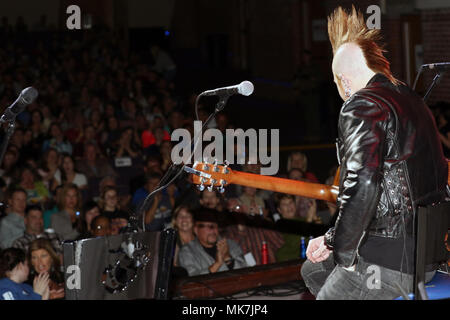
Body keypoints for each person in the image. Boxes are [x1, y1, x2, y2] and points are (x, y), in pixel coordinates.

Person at [300, 6, 448, 300]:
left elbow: (363, 187)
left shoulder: (361, 104)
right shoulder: (411, 98)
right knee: (312, 270)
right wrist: (330, 240)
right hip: (425, 254)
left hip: (389, 262)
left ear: (343, 80)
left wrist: (345, 257)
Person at [178, 208, 247, 276]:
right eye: (208, 227)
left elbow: (245, 272)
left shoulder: (230, 244)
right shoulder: (187, 251)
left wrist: (227, 258)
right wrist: (217, 265)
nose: (212, 231)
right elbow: (190, 280)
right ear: (196, 230)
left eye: (214, 226)